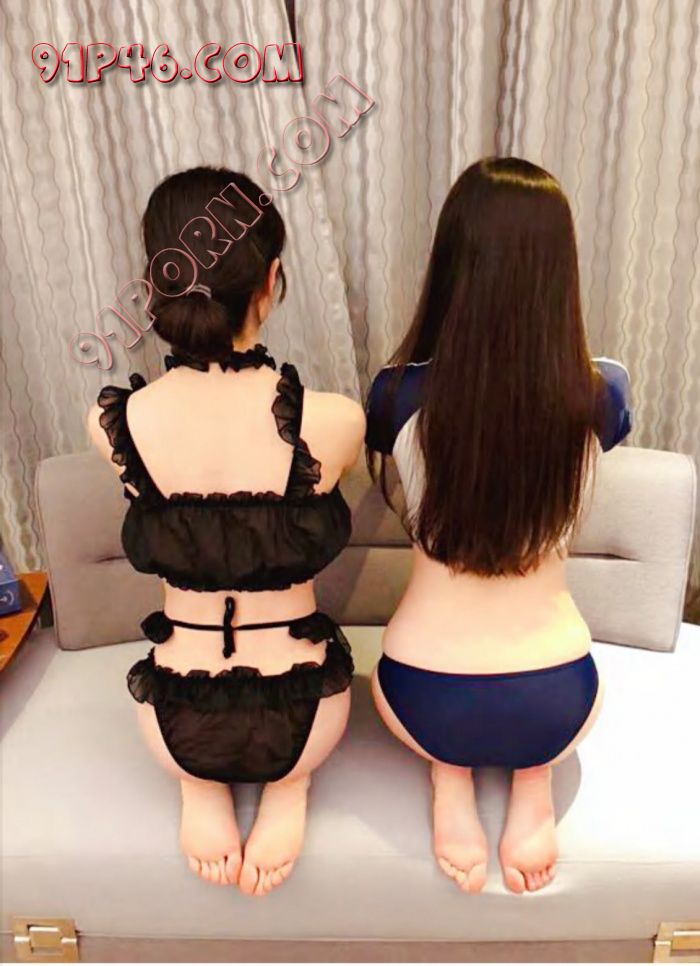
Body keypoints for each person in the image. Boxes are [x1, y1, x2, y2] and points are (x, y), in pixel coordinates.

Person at [88, 166, 365, 895]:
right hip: (305, 708)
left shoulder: (115, 424)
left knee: (191, 749)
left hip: (175, 712)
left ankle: (199, 782)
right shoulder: (334, 421)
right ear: (271, 281)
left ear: (157, 284)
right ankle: (289, 783)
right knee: (298, 749)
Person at [365, 157, 632, 895]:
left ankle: (448, 774)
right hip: (560, 696)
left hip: (421, 693)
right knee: (535, 734)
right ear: (560, 270)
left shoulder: (394, 394)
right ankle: (532, 777)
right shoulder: (603, 393)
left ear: (453, 261)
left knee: (443, 737)